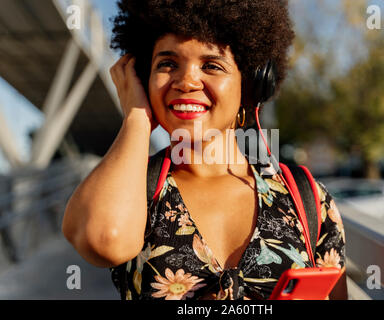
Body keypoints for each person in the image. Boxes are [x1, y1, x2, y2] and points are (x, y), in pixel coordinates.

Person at [62, 0, 347, 300]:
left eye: (211, 65)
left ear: (249, 85)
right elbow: (104, 239)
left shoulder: (307, 200)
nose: (186, 81)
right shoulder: (135, 189)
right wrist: (137, 117)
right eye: (167, 64)